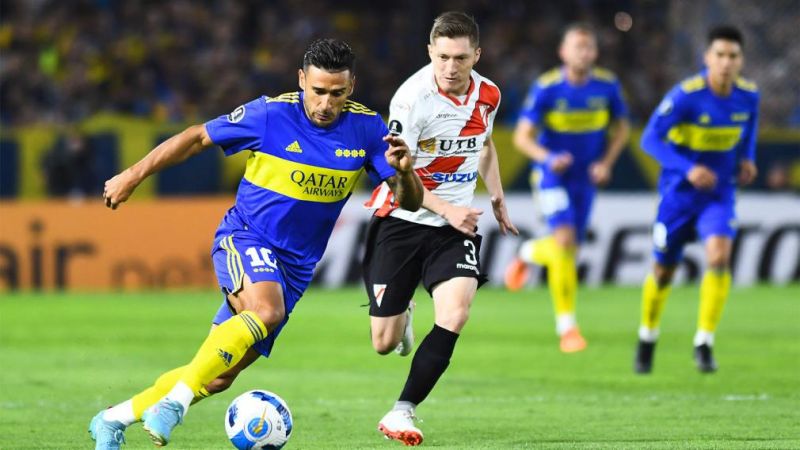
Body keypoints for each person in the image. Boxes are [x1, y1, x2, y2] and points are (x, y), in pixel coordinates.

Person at [88, 38, 423, 449]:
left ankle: (112, 419)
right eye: (317, 91)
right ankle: (174, 404)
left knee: (217, 376)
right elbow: (196, 138)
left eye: (337, 93)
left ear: (351, 86)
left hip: (295, 268)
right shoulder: (269, 115)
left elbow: (409, 201)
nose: (325, 103)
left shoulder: (368, 129)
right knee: (266, 311)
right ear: (301, 81)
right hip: (246, 237)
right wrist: (132, 176)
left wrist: (405, 173)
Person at [362, 12, 518, 446]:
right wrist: (447, 209)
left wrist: (497, 196)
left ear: (476, 55)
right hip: (401, 220)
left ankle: (402, 411)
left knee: (455, 314)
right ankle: (404, 314)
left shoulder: (489, 94)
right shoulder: (410, 101)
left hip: (453, 229)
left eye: (461, 58)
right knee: (383, 342)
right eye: (443, 57)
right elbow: (398, 178)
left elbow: (484, 144)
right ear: (430, 51)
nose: (451, 67)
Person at [633, 25, 759, 374]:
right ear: (707, 58)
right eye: (720, 55)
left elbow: (748, 130)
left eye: (733, 56)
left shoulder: (749, 96)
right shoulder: (686, 96)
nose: (726, 62)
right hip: (678, 196)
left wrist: (747, 158)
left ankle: (704, 342)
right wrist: (688, 169)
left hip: (719, 195)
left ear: (741, 60)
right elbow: (649, 140)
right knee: (663, 272)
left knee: (719, 257)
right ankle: (647, 335)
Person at [503, 23, 630, 353]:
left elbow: (622, 129)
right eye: (577, 47)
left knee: (568, 252)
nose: (583, 53)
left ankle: (528, 252)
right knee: (564, 241)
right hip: (552, 178)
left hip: (585, 179)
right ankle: (568, 328)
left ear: (595, 53)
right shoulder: (547, 87)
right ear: (563, 52)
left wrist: (606, 163)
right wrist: (547, 158)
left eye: (588, 47)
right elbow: (522, 138)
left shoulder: (607, 85)